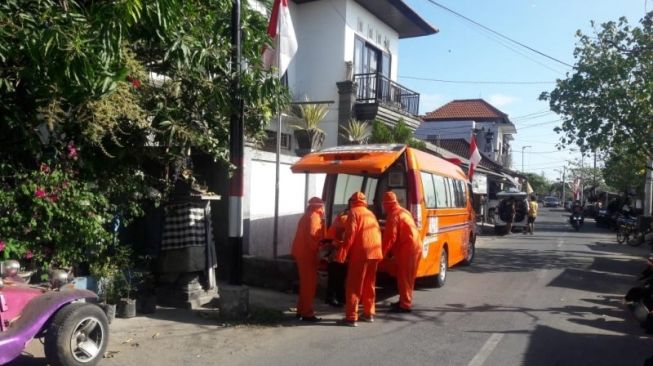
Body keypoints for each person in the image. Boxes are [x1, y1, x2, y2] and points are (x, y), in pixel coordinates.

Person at [338, 192, 382, 327]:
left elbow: (350, 235)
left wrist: (342, 253)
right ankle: (369, 314)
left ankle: (351, 317)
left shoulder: (353, 213)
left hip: (361, 253)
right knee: (369, 283)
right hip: (375, 252)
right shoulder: (370, 214)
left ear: (352, 201)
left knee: (354, 285)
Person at [381, 191, 421, 313]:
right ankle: (404, 300)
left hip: (407, 249)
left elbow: (390, 238)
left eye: (384, 204)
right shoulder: (403, 211)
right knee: (406, 277)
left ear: (387, 204)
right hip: (414, 247)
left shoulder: (393, 215)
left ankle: (405, 305)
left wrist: (381, 254)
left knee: (404, 277)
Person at [290, 197, 325, 322]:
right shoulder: (314, 217)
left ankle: (301, 311)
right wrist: (321, 250)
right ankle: (307, 313)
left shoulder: (307, 215)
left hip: (301, 253)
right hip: (307, 255)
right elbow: (313, 237)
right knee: (309, 285)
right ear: (319, 206)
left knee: (305, 285)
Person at [323, 208, 349, 307]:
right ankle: (336, 299)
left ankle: (334, 298)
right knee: (338, 277)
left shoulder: (340, 218)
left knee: (334, 276)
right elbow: (340, 237)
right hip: (337, 251)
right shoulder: (345, 219)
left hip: (333, 249)